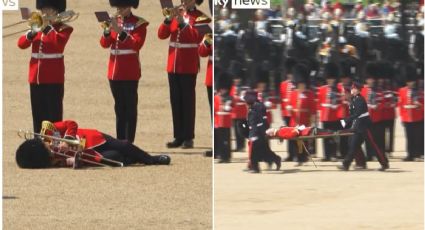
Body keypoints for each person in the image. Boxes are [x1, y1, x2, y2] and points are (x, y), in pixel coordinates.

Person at [158, 0, 210, 149]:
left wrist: (182, 23)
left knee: (187, 102)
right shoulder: (175, 14)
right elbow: (162, 34)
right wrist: (169, 19)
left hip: (188, 64)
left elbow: (196, 38)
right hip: (173, 63)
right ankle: (178, 136)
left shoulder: (201, 18)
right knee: (176, 101)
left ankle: (188, 137)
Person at [16, 120, 171, 169]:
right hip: (90, 154)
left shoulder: (47, 131)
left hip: (92, 138)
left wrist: (66, 139)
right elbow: (71, 162)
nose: (49, 148)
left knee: (123, 145)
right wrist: (70, 162)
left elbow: (70, 123)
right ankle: (135, 159)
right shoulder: (52, 160)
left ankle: (152, 159)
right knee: (116, 158)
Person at [17, 0, 73, 133]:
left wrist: (46, 27)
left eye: (47, 9)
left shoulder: (64, 29)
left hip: (53, 79)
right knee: (38, 116)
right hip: (35, 78)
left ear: (55, 10)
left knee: (53, 118)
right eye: (43, 9)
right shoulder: (37, 27)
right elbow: (21, 44)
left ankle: (54, 148)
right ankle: (39, 146)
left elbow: (58, 44)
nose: (44, 12)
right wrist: (31, 33)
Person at [99, 0, 148, 143]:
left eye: (123, 7)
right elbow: (104, 44)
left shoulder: (139, 23)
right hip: (114, 71)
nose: (120, 9)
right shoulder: (114, 21)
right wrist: (107, 31)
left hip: (129, 72)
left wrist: (119, 31)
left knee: (130, 108)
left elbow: (136, 44)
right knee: (119, 108)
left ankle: (129, 141)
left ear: (130, 6)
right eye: (118, 6)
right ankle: (120, 141)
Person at [337, 82, 389, 171]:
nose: (352, 90)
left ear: (358, 90)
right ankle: (346, 164)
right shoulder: (354, 100)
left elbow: (358, 114)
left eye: (354, 89)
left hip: (365, 126)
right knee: (353, 145)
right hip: (358, 126)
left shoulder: (360, 99)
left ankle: (384, 163)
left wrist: (346, 120)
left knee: (374, 145)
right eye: (352, 89)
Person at [244, 90, 281, 173]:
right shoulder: (253, 106)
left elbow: (263, 120)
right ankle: (276, 159)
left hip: (258, 131)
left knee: (254, 150)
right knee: (264, 150)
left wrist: (261, 131)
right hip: (254, 130)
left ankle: (255, 168)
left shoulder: (259, 106)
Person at [398, 64, 424, 161]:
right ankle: (410, 154)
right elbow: (401, 105)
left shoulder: (420, 91)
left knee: (417, 137)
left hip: (418, 117)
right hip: (407, 117)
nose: (411, 83)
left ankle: (417, 154)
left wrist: (419, 106)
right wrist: (402, 117)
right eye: (409, 81)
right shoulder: (402, 90)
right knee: (409, 137)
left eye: (412, 81)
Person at [317, 62, 342, 161]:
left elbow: (340, 101)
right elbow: (319, 103)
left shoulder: (338, 89)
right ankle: (326, 155)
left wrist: (335, 106)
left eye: (332, 79)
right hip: (325, 117)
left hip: (335, 116)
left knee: (334, 136)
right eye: (329, 79)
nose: (330, 80)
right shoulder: (322, 89)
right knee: (325, 136)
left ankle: (334, 154)